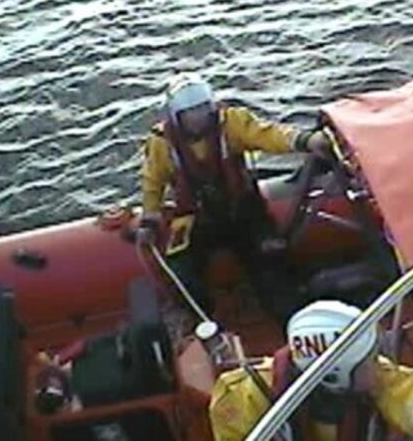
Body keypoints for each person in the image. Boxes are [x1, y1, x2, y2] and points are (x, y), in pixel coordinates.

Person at [135, 73, 327, 321]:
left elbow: (269, 134)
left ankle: (292, 317)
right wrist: (149, 219)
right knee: (181, 272)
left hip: (242, 210)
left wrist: (306, 140)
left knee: (273, 262)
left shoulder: (231, 124)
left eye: (203, 110)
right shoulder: (162, 144)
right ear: (176, 116)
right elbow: (153, 182)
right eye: (190, 113)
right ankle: (200, 323)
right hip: (195, 218)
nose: (198, 119)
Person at [208, 301, 413, 441]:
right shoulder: (244, 397)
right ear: (334, 375)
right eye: (368, 361)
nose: (376, 365)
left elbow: (399, 386)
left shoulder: (365, 375)